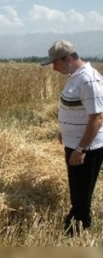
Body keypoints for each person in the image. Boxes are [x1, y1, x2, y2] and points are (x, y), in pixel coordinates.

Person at [41, 39, 103, 236]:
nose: (53, 68)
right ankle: (76, 220)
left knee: (81, 191)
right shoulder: (75, 76)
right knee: (77, 189)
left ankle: (80, 228)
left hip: (86, 148)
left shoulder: (88, 79)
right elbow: (76, 109)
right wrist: (64, 130)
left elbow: (97, 117)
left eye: (55, 63)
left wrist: (80, 149)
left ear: (68, 59)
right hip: (75, 142)